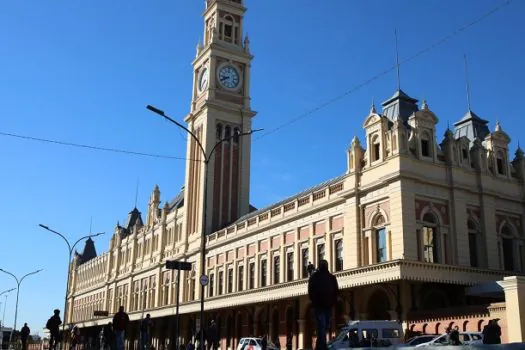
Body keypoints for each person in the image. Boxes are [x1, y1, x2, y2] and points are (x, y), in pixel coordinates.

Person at [308, 259, 339, 350]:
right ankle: (322, 346)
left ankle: (320, 346)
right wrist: (332, 303)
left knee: (322, 327)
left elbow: (310, 291)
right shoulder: (331, 278)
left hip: (320, 306)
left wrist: (314, 302)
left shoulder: (315, 277)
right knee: (324, 327)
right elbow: (336, 292)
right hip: (326, 307)